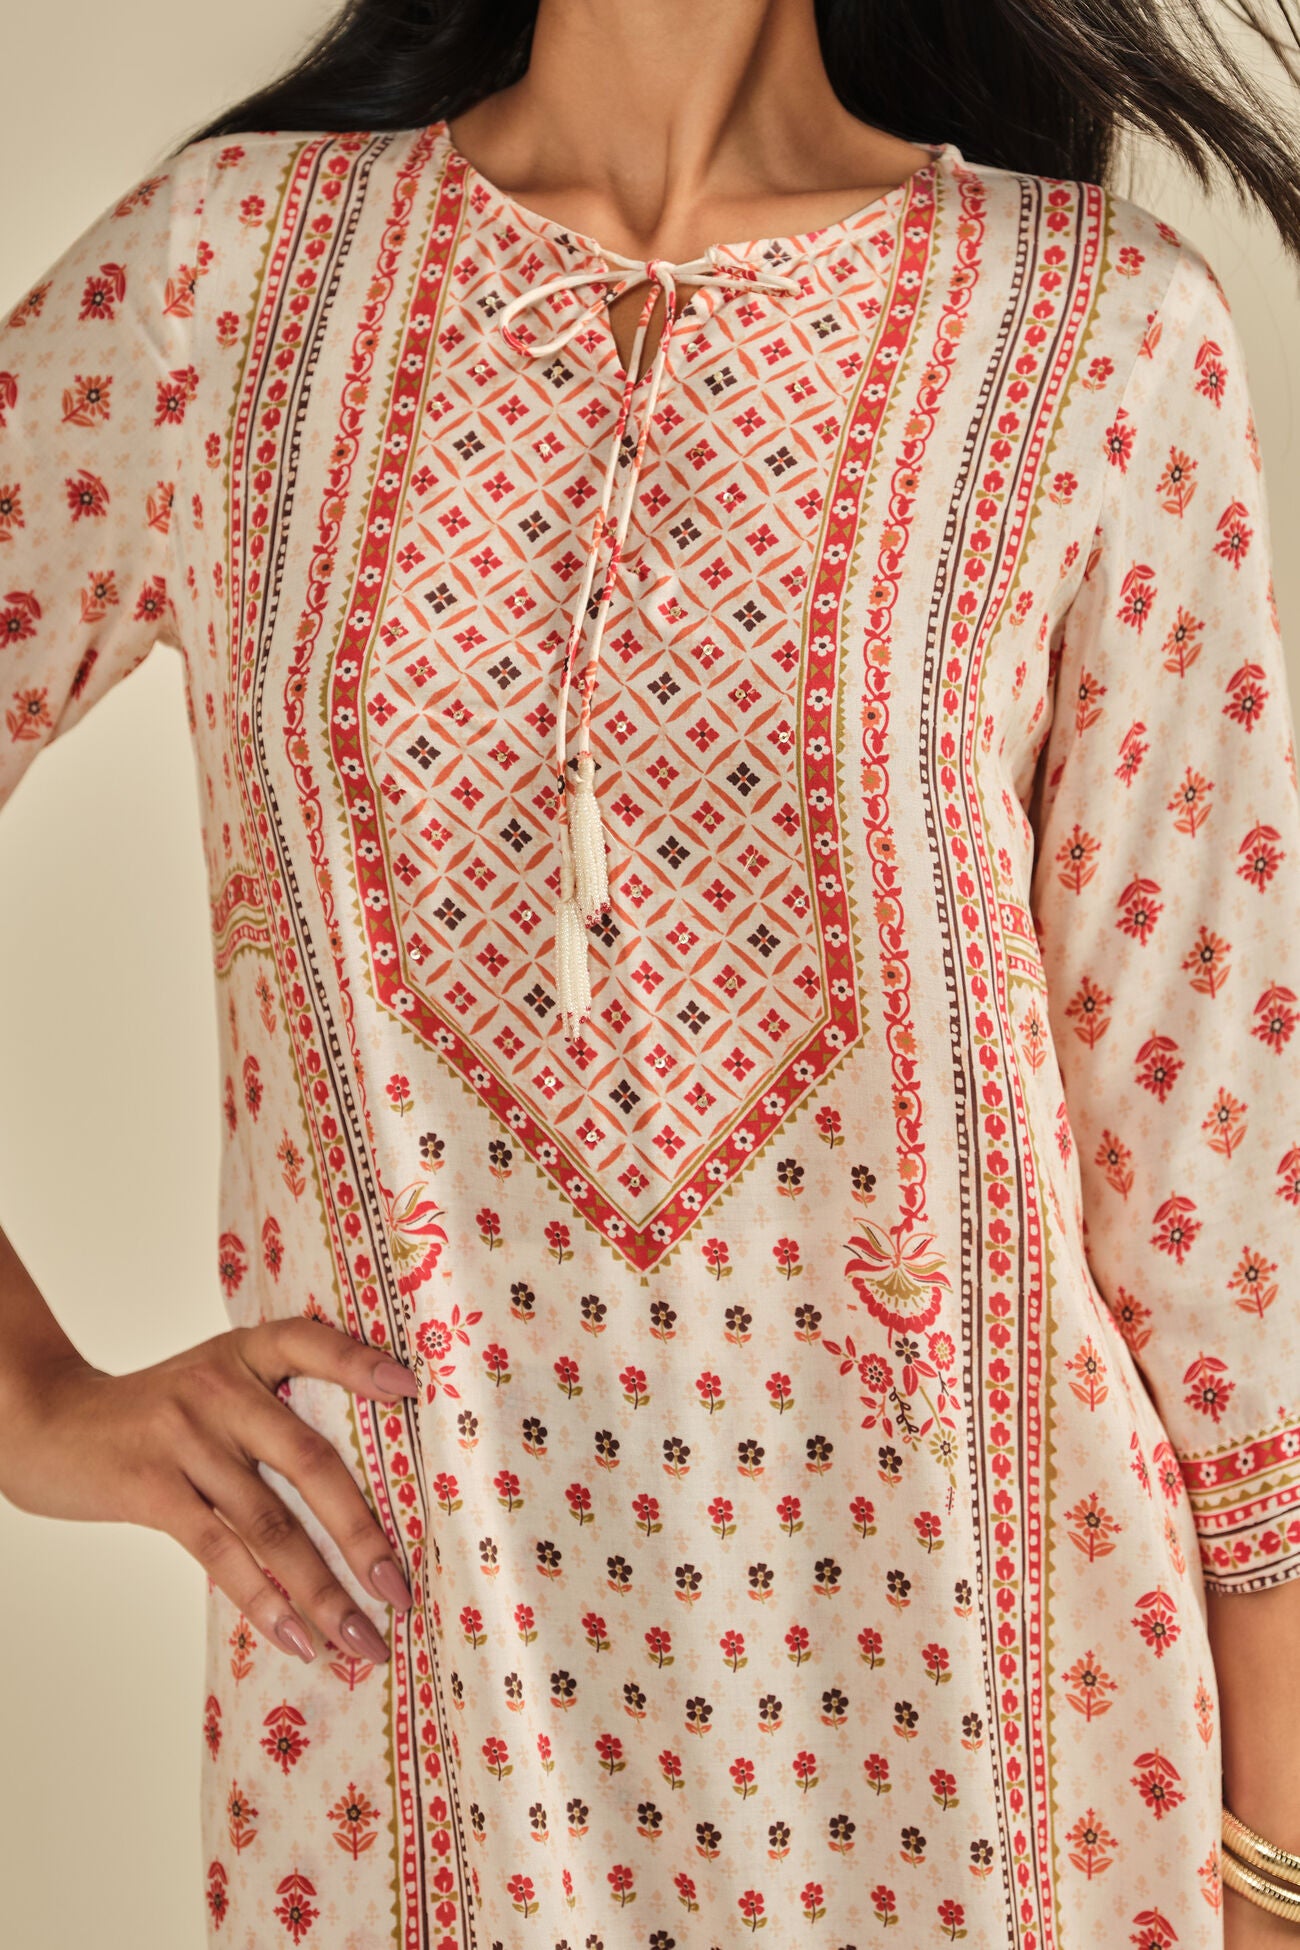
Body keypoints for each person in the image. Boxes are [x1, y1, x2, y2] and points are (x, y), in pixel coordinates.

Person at [3, 0, 1300, 1943]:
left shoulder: (1088, 331)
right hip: (404, 1755)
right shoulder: (231, 279)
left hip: (1005, 1772)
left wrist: (1273, 1874)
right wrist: (27, 1405)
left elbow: (1223, 1182)